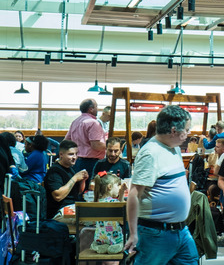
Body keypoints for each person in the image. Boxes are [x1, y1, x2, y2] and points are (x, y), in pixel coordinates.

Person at [124, 105, 198, 265]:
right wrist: (133, 234)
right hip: (156, 233)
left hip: (180, 230)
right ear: (173, 130)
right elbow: (134, 194)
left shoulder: (174, 148)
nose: (189, 133)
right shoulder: (150, 153)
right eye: (186, 129)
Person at [44, 139, 88, 218]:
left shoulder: (70, 169)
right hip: (59, 213)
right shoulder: (54, 171)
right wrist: (75, 178)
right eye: (71, 154)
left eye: (76, 154)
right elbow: (58, 196)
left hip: (72, 207)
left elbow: (78, 192)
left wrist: (82, 180)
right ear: (61, 154)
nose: (74, 157)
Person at [65, 99, 106, 185]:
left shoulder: (75, 122)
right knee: (90, 190)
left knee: (78, 189)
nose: (98, 109)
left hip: (77, 161)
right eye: (96, 106)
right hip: (92, 163)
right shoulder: (93, 123)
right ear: (91, 109)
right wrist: (109, 146)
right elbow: (95, 145)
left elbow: (66, 141)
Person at [89, 172, 126, 255]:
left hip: (100, 240)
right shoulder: (115, 203)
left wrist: (121, 193)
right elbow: (122, 221)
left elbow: (93, 222)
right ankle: (114, 248)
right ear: (109, 187)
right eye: (117, 185)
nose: (118, 188)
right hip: (115, 240)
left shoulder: (96, 203)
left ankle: (102, 247)